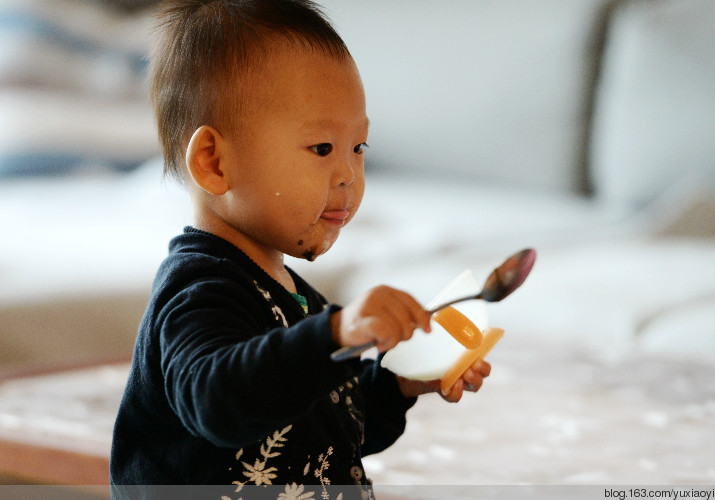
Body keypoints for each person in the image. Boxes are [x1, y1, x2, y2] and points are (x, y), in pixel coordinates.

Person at [110, 0, 491, 497]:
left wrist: (396, 384)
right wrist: (334, 333)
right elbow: (219, 403)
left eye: (358, 148)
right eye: (322, 149)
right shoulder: (198, 293)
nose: (348, 176)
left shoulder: (297, 301)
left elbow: (330, 436)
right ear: (214, 162)